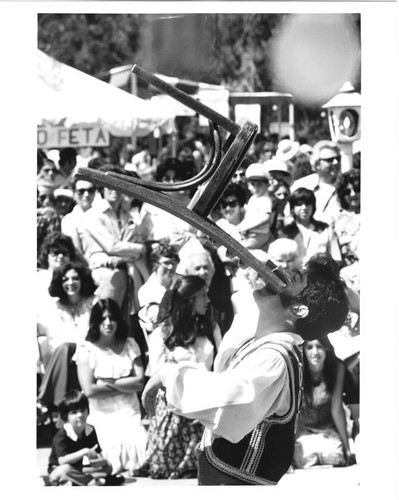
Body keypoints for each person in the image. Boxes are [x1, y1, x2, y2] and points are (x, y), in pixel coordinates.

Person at [142, 253, 349, 485]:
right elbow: (247, 321)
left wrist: (169, 374)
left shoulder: (276, 356)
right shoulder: (268, 338)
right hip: (225, 474)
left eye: (293, 277)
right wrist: (253, 260)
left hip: (236, 481)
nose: (280, 275)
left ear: (299, 310)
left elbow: (232, 395)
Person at [135, 276, 221, 479]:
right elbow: (158, 375)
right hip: (174, 406)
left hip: (207, 402)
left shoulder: (211, 327)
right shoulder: (162, 333)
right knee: (166, 469)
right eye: (202, 295)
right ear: (189, 300)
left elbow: (221, 367)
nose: (207, 300)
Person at [76, 299, 147, 475]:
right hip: (102, 416)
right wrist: (124, 383)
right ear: (95, 321)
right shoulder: (86, 349)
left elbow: (139, 383)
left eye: (112, 318)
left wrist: (105, 382)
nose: (108, 323)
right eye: (103, 319)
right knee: (103, 458)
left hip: (129, 412)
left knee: (141, 450)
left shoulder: (130, 344)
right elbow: (90, 391)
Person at [80, 165, 148, 315]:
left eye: (118, 186)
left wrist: (130, 252)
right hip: (105, 276)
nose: (114, 190)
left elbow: (131, 242)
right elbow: (112, 247)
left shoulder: (126, 215)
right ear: (101, 188)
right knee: (106, 319)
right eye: (109, 186)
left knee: (124, 324)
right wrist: (140, 249)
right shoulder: (93, 215)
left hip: (128, 275)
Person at [37, 261, 97, 410]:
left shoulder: (93, 303)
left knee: (68, 348)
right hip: (65, 357)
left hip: (91, 353)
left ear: (82, 280)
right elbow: (55, 340)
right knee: (65, 348)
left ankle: (48, 400)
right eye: (65, 279)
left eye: (75, 278)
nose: (70, 283)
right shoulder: (54, 308)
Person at [293, 337, 356, 469]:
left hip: (328, 430)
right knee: (305, 458)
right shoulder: (297, 370)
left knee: (334, 456)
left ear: (327, 348)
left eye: (319, 346)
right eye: (310, 347)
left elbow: (336, 409)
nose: (315, 352)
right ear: (303, 350)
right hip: (305, 431)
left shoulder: (337, 369)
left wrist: (347, 448)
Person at [46, 390, 125, 486]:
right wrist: (84, 451)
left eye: (82, 410)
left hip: (77, 469)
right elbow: (62, 460)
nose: (80, 415)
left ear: (88, 411)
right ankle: (96, 481)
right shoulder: (63, 433)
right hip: (58, 469)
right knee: (64, 470)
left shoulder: (90, 430)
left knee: (108, 467)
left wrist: (100, 460)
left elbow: (97, 452)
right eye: (74, 412)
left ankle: (81, 481)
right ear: (66, 416)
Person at [282, 188, 342, 266]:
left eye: (307, 203)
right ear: (293, 208)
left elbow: (336, 258)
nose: (304, 207)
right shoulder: (287, 232)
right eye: (299, 204)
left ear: (313, 206)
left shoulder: (324, 229)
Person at [290, 140, 343, 225]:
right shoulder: (303, 185)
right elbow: (289, 215)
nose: (335, 162)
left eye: (338, 158)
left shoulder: (346, 185)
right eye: (329, 159)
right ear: (317, 164)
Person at [137, 242, 179, 337]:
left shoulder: (182, 282)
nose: (171, 267)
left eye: (173, 263)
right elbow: (156, 323)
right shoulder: (145, 291)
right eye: (166, 263)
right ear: (155, 264)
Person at [237, 163, 274, 250]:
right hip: (249, 233)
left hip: (260, 234)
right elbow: (248, 216)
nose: (256, 188)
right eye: (253, 184)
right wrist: (242, 226)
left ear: (267, 185)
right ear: (248, 186)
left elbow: (266, 218)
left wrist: (247, 227)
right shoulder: (253, 198)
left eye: (260, 184)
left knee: (243, 250)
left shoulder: (265, 199)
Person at [61, 177, 97, 262]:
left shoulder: (103, 215)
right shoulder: (69, 220)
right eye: (81, 191)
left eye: (90, 190)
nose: (86, 194)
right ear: (74, 194)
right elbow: (76, 251)